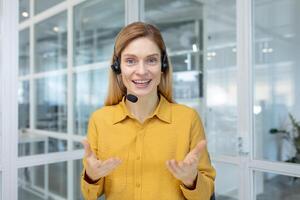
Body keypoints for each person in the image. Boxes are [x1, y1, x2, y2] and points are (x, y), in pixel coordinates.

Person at [81, 21, 216, 200]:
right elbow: (90, 194)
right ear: (118, 68)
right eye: (130, 61)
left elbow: (206, 195)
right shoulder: (100, 120)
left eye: (151, 60)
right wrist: (92, 177)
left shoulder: (187, 118)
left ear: (163, 67)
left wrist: (192, 180)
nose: (142, 71)